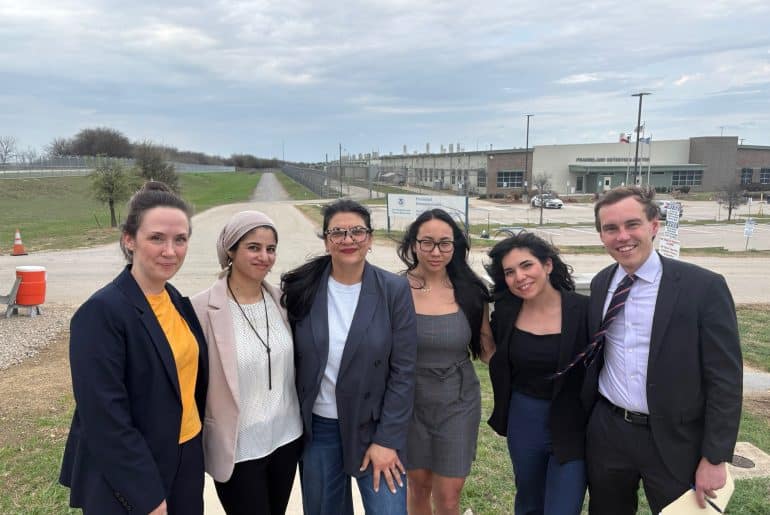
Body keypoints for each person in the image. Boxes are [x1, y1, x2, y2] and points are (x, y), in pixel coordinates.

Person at [583, 186, 742, 514]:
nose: (622, 236)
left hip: (676, 438)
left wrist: (715, 457)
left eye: (632, 224)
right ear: (601, 236)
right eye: (611, 228)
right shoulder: (601, 284)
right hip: (610, 432)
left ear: (653, 225)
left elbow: (725, 379)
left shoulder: (703, 287)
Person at [59, 181, 208, 514]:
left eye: (180, 239)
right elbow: (104, 419)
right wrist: (147, 496)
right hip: (136, 470)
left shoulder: (173, 299)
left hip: (186, 453)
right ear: (129, 240)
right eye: (156, 238)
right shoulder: (101, 312)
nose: (170, 251)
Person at [281, 199, 417, 515]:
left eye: (357, 231)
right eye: (338, 232)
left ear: (369, 239)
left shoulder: (394, 290)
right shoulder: (303, 289)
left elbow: (404, 371)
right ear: (326, 240)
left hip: (375, 427)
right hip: (320, 429)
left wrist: (387, 440)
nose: (348, 239)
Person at [192, 211, 302, 514]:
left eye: (271, 249)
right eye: (253, 247)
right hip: (238, 447)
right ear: (230, 250)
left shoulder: (284, 302)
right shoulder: (201, 310)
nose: (264, 257)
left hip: (286, 437)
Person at [396, 208, 495, 515]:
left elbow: (487, 350)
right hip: (410, 402)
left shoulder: (471, 290)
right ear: (414, 244)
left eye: (444, 243)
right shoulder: (394, 289)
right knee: (418, 488)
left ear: (455, 245)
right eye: (427, 242)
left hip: (457, 402)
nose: (436, 252)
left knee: (449, 498)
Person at [485, 232, 589, 515]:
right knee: (529, 503)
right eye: (509, 272)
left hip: (572, 421)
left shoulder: (583, 310)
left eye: (526, 265)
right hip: (525, 417)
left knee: (564, 507)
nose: (519, 277)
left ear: (548, 265)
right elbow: (490, 350)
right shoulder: (506, 310)